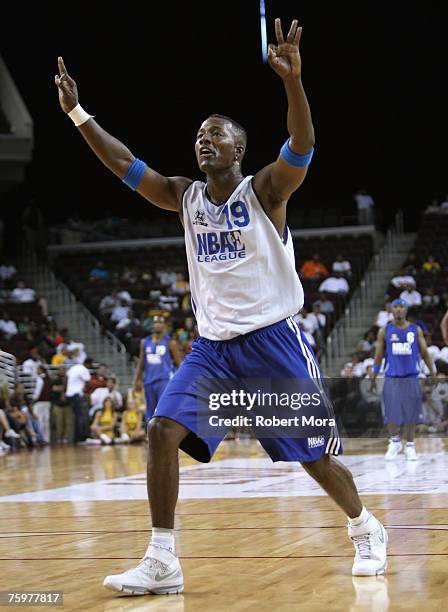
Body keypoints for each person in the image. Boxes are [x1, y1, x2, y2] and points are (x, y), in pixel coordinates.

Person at [55, 17, 387, 594]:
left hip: (272, 343)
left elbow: (303, 145)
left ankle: (364, 527)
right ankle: (163, 560)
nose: (203, 140)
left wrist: (292, 83)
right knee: (160, 430)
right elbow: (126, 165)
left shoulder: (265, 191)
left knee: (313, 458)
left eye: (215, 134)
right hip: (213, 349)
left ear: (239, 148)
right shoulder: (183, 196)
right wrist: (79, 115)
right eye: (198, 135)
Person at [371, 299, 435, 461]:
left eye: (402, 307)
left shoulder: (415, 330)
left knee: (410, 413)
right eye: (396, 307)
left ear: (406, 310)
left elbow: (425, 353)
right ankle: (394, 442)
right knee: (391, 412)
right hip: (392, 376)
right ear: (391, 310)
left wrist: (432, 371)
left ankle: (411, 445)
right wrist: (373, 374)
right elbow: (378, 356)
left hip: (411, 376)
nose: (399, 310)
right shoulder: (385, 330)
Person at [134, 315, 183, 420]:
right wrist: (137, 380)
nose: (157, 325)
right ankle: (150, 436)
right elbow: (141, 363)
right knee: (150, 413)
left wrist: (183, 382)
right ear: (152, 325)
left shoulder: (170, 342)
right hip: (149, 381)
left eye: (160, 323)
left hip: (164, 380)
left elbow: (179, 364)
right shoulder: (145, 342)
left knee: (163, 411)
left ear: (164, 326)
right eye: (155, 322)